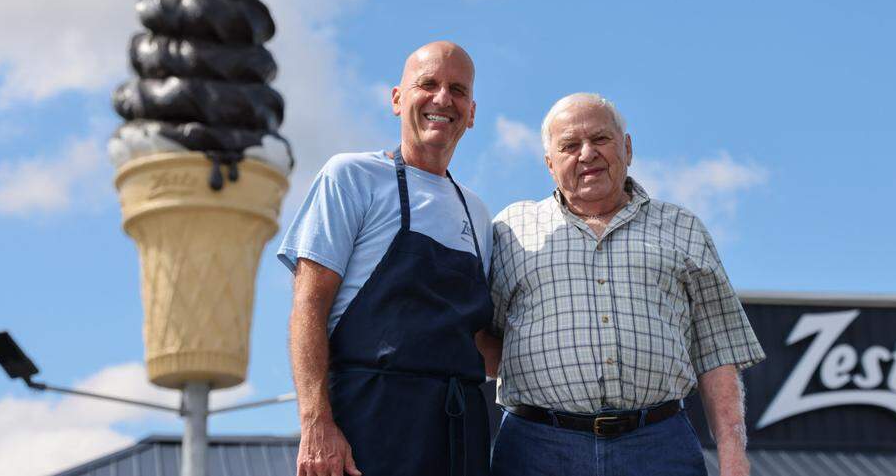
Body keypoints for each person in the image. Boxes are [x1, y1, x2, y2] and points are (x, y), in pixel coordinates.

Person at [488, 92, 765, 476]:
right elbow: (484, 339)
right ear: (550, 164)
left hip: (658, 447)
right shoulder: (510, 230)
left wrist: (734, 456)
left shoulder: (682, 228)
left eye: (600, 139)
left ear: (628, 147)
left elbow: (716, 351)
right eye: (570, 145)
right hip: (537, 449)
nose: (587, 154)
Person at [278, 41, 495, 476]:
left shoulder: (478, 213)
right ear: (397, 99)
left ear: (470, 112)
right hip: (369, 424)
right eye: (427, 84)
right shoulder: (352, 176)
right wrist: (316, 422)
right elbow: (308, 305)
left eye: (457, 89)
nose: (441, 99)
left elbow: (476, 340)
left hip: (459, 433)